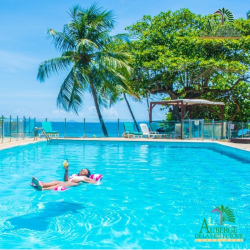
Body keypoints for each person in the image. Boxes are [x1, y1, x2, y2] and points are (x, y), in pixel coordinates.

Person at [31, 165, 96, 191]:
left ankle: (43, 188)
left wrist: (84, 181)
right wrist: (66, 171)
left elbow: (94, 182)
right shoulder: (74, 175)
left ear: (87, 174)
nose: (83, 170)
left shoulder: (85, 177)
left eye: (85, 171)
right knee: (55, 181)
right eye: (82, 169)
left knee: (59, 184)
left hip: (75, 183)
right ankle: (42, 185)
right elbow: (66, 180)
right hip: (68, 182)